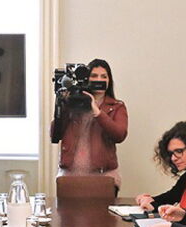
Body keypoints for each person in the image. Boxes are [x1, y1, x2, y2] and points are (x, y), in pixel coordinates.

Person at [51, 59, 128, 192]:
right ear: (86, 79)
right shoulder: (72, 102)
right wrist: (62, 105)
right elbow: (55, 135)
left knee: (103, 213)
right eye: (94, 76)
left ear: (109, 81)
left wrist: (97, 112)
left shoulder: (116, 106)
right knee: (66, 213)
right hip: (70, 177)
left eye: (104, 76)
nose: (99, 80)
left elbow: (119, 135)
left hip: (103, 177)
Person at [135, 121, 186, 214]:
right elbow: (169, 197)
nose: (173, 158)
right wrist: (147, 199)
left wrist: (152, 205)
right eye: (171, 153)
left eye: (179, 151)